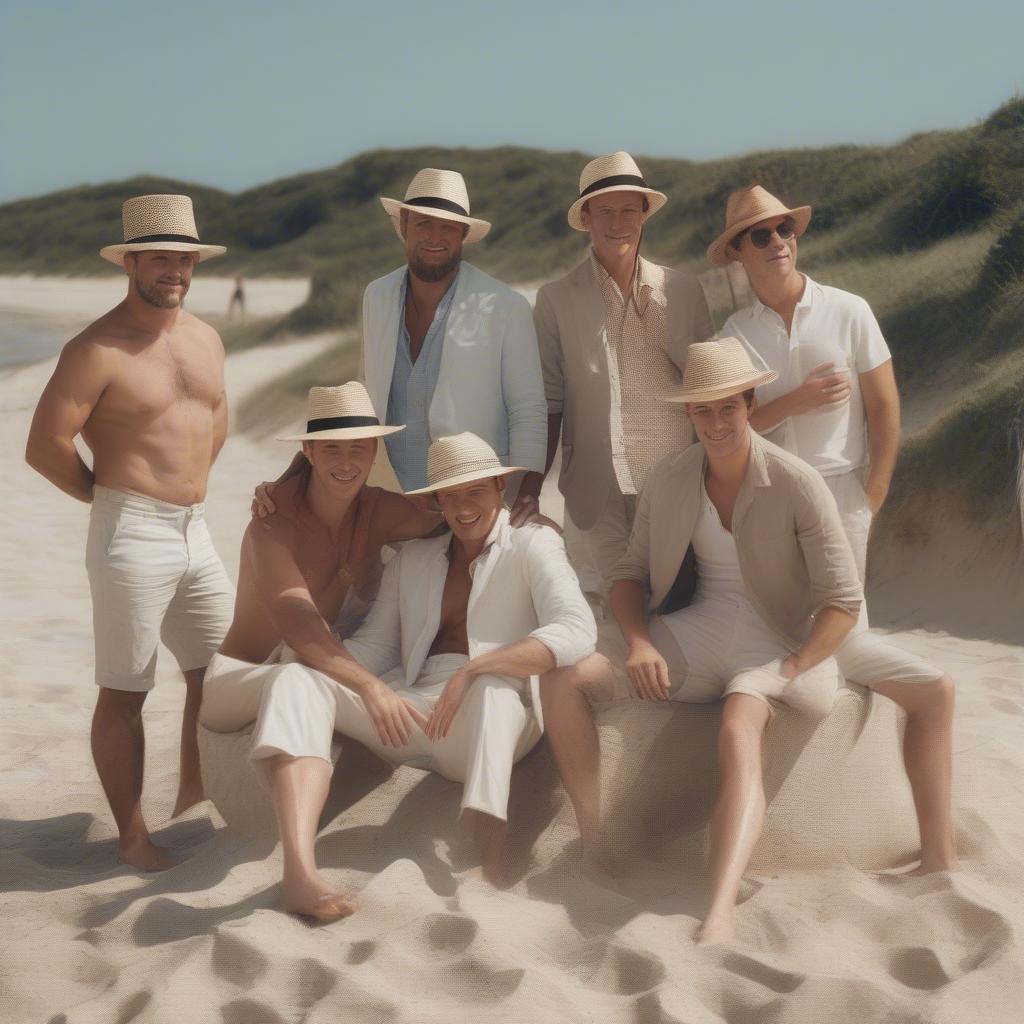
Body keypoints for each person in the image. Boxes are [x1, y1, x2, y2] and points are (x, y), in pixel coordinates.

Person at [542, 339, 957, 945]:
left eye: (728, 408)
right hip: (700, 626)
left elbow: (842, 600)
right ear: (689, 414)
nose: (716, 423)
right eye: (703, 411)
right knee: (563, 677)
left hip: (785, 632)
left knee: (739, 730)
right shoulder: (670, 478)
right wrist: (639, 643)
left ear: (749, 402)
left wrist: (794, 663)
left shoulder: (796, 481)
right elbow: (628, 575)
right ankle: (595, 846)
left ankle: (720, 911)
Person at [206, 431, 605, 919]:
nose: (462, 508)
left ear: (500, 485)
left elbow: (576, 628)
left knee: (494, 690)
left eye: (474, 492)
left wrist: (476, 668)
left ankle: (489, 858)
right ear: (436, 500)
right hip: (410, 712)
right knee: (296, 678)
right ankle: (299, 867)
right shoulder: (414, 559)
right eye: (451, 496)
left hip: (482, 719)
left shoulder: (533, 543)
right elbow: (376, 646)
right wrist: (338, 678)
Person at [25, 194, 234, 870]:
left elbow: (216, 418)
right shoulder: (95, 348)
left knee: (216, 672)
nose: (174, 268)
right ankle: (134, 837)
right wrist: (107, 498)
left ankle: (196, 800)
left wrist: (186, 489)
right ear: (132, 262)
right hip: (130, 528)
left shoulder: (205, 336)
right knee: (127, 689)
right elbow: (45, 444)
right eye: (160, 258)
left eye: (183, 257)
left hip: (193, 529)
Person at [518, 151, 714, 588]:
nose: (617, 221)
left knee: (675, 598)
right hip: (595, 489)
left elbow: (711, 390)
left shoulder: (684, 291)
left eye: (628, 209)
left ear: (645, 214)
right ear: (586, 217)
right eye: (604, 210)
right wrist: (529, 487)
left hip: (675, 481)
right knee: (613, 607)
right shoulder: (555, 299)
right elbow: (549, 402)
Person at [709, 185, 901, 585]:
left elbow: (884, 406)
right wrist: (797, 401)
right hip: (766, 496)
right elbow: (729, 431)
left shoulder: (850, 310)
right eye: (761, 235)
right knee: (785, 630)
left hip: (841, 490)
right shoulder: (732, 335)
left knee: (845, 626)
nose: (777, 242)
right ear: (738, 253)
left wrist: (872, 497)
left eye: (785, 230)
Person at [362, 167, 547, 492]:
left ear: (463, 233)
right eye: (424, 223)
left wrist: (527, 493)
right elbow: (366, 394)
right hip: (389, 497)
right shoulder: (377, 296)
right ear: (403, 226)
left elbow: (527, 407)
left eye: (447, 226)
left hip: (473, 501)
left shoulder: (505, 305)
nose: (435, 236)